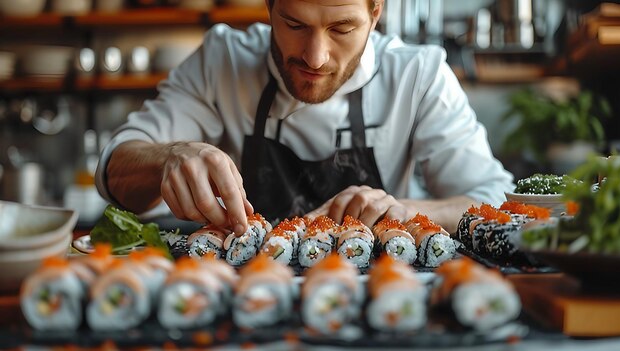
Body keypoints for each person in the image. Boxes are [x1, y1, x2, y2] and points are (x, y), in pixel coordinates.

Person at [95, 0, 514, 237]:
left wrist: (405, 209)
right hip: (248, 294)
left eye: (341, 28)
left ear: (375, 13)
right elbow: (115, 168)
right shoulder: (222, 62)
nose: (315, 57)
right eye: (294, 24)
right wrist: (168, 156)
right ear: (269, 7)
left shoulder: (418, 76)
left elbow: (495, 198)